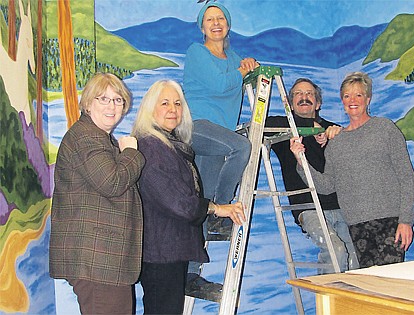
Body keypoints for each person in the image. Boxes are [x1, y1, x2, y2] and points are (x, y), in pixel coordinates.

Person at [132, 80, 246, 314]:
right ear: (150, 108)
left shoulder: (169, 144)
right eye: (164, 103)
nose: (172, 109)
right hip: (161, 253)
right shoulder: (152, 147)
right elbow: (179, 203)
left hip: (167, 250)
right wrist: (217, 208)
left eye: (177, 103)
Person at [290, 72, 414, 268]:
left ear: (368, 99)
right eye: (347, 96)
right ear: (342, 101)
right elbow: (326, 186)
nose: (353, 100)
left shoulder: (385, 128)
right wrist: (301, 161)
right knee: (367, 287)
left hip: (390, 222)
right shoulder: (336, 142)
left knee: (390, 285)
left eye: (358, 95)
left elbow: (406, 176)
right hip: (356, 226)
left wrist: (406, 221)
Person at [49, 72, 145, 314]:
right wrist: (131, 153)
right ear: (88, 103)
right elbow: (112, 182)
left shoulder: (99, 138)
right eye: (103, 99)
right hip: (97, 260)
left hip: (103, 261)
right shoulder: (87, 137)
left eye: (118, 100)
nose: (112, 106)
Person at [182, 1, 259, 296]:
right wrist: (241, 71)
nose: (216, 23)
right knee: (242, 147)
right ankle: (219, 215)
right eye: (210, 19)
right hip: (198, 126)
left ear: (227, 25)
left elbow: (240, 72)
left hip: (219, 136)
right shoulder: (196, 52)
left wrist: (248, 64)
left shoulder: (234, 56)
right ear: (202, 27)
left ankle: (190, 274)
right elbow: (220, 83)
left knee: (201, 198)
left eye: (221, 19)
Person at [266, 78, 359, 274]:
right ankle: (327, 303)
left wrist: (335, 137)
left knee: (355, 261)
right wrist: (311, 125)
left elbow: (354, 158)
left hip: (339, 205)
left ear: (318, 103)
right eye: (298, 94)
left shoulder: (332, 128)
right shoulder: (283, 126)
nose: (304, 97)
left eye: (309, 94)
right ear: (290, 104)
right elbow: (261, 125)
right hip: (307, 206)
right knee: (337, 252)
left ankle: (344, 303)